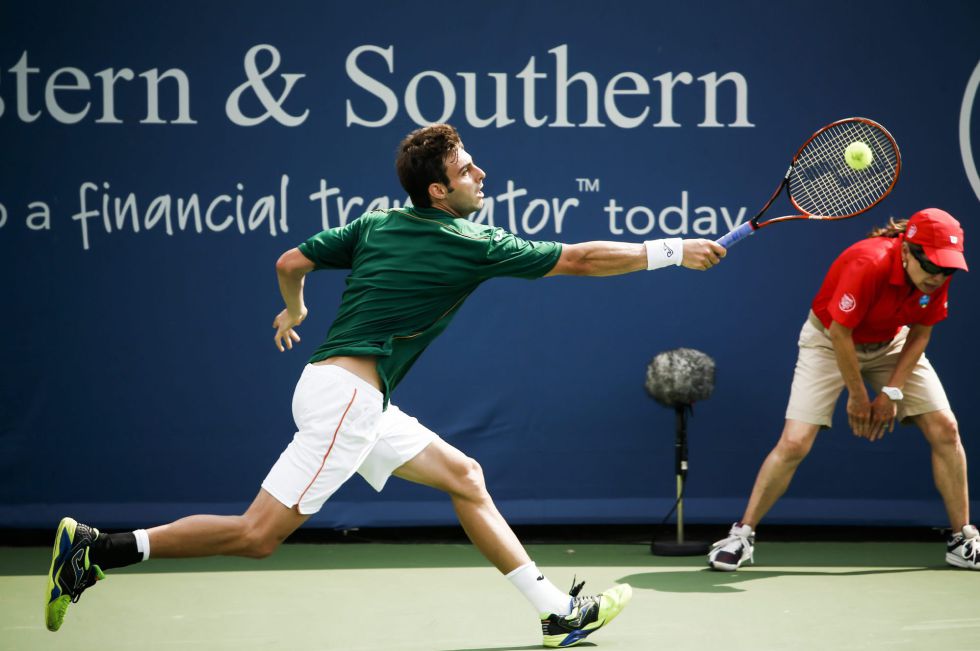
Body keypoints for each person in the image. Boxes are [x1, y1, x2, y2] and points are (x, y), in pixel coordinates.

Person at [46, 123, 727, 647]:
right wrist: (672, 251)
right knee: (257, 535)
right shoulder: (470, 241)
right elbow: (577, 260)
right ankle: (97, 551)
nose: (481, 174)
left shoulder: (375, 224)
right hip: (347, 402)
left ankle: (555, 613)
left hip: (346, 394)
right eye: (466, 169)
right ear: (439, 193)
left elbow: (289, 261)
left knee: (465, 476)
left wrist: (295, 308)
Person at [707, 208, 976, 572]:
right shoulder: (868, 262)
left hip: (890, 343)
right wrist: (859, 396)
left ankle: (962, 539)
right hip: (829, 341)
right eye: (931, 266)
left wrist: (892, 393)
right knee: (795, 442)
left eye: (947, 269)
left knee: (946, 428)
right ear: (906, 250)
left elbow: (920, 333)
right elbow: (839, 333)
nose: (939, 276)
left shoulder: (936, 274)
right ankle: (741, 534)